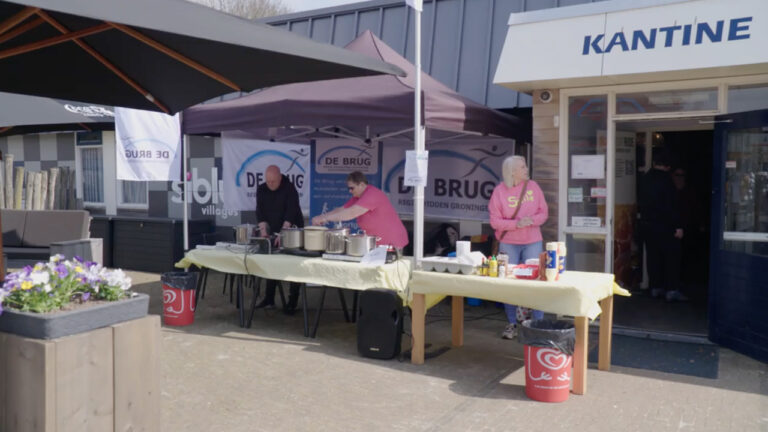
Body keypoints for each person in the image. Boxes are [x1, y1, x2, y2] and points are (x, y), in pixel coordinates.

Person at [488, 156, 549, 340]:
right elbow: (494, 221)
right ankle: (511, 323)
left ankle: (538, 324)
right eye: (522, 167)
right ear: (512, 171)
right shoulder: (499, 192)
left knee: (537, 281)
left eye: (525, 166)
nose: (526, 168)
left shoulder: (534, 187)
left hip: (533, 241)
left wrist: (531, 221)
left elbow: (544, 212)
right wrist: (517, 224)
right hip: (509, 243)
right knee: (508, 283)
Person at [311, 171, 408, 251]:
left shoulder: (372, 194)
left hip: (392, 243)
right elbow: (341, 209)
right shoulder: (358, 197)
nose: (350, 191)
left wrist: (325, 218)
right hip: (378, 243)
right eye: (348, 188)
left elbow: (351, 213)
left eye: (352, 188)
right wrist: (321, 217)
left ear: (361, 185)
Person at [254, 165, 304, 313]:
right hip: (274, 228)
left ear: (280, 178)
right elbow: (260, 211)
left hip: (292, 229)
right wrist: (264, 230)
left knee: (293, 265)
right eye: (268, 181)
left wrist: (283, 233)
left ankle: (292, 301)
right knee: (272, 263)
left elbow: (291, 210)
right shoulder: (262, 189)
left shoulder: (289, 188)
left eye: (273, 181)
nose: (270, 184)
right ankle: (269, 299)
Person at [638, 150, 686, 302]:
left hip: (647, 225)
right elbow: (672, 206)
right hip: (665, 226)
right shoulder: (667, 181)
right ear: (667, 166)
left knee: (653, 257)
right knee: (671, 258)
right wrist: (678, 226)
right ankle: (671, 289)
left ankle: (655, 287)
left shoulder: (645, 179)